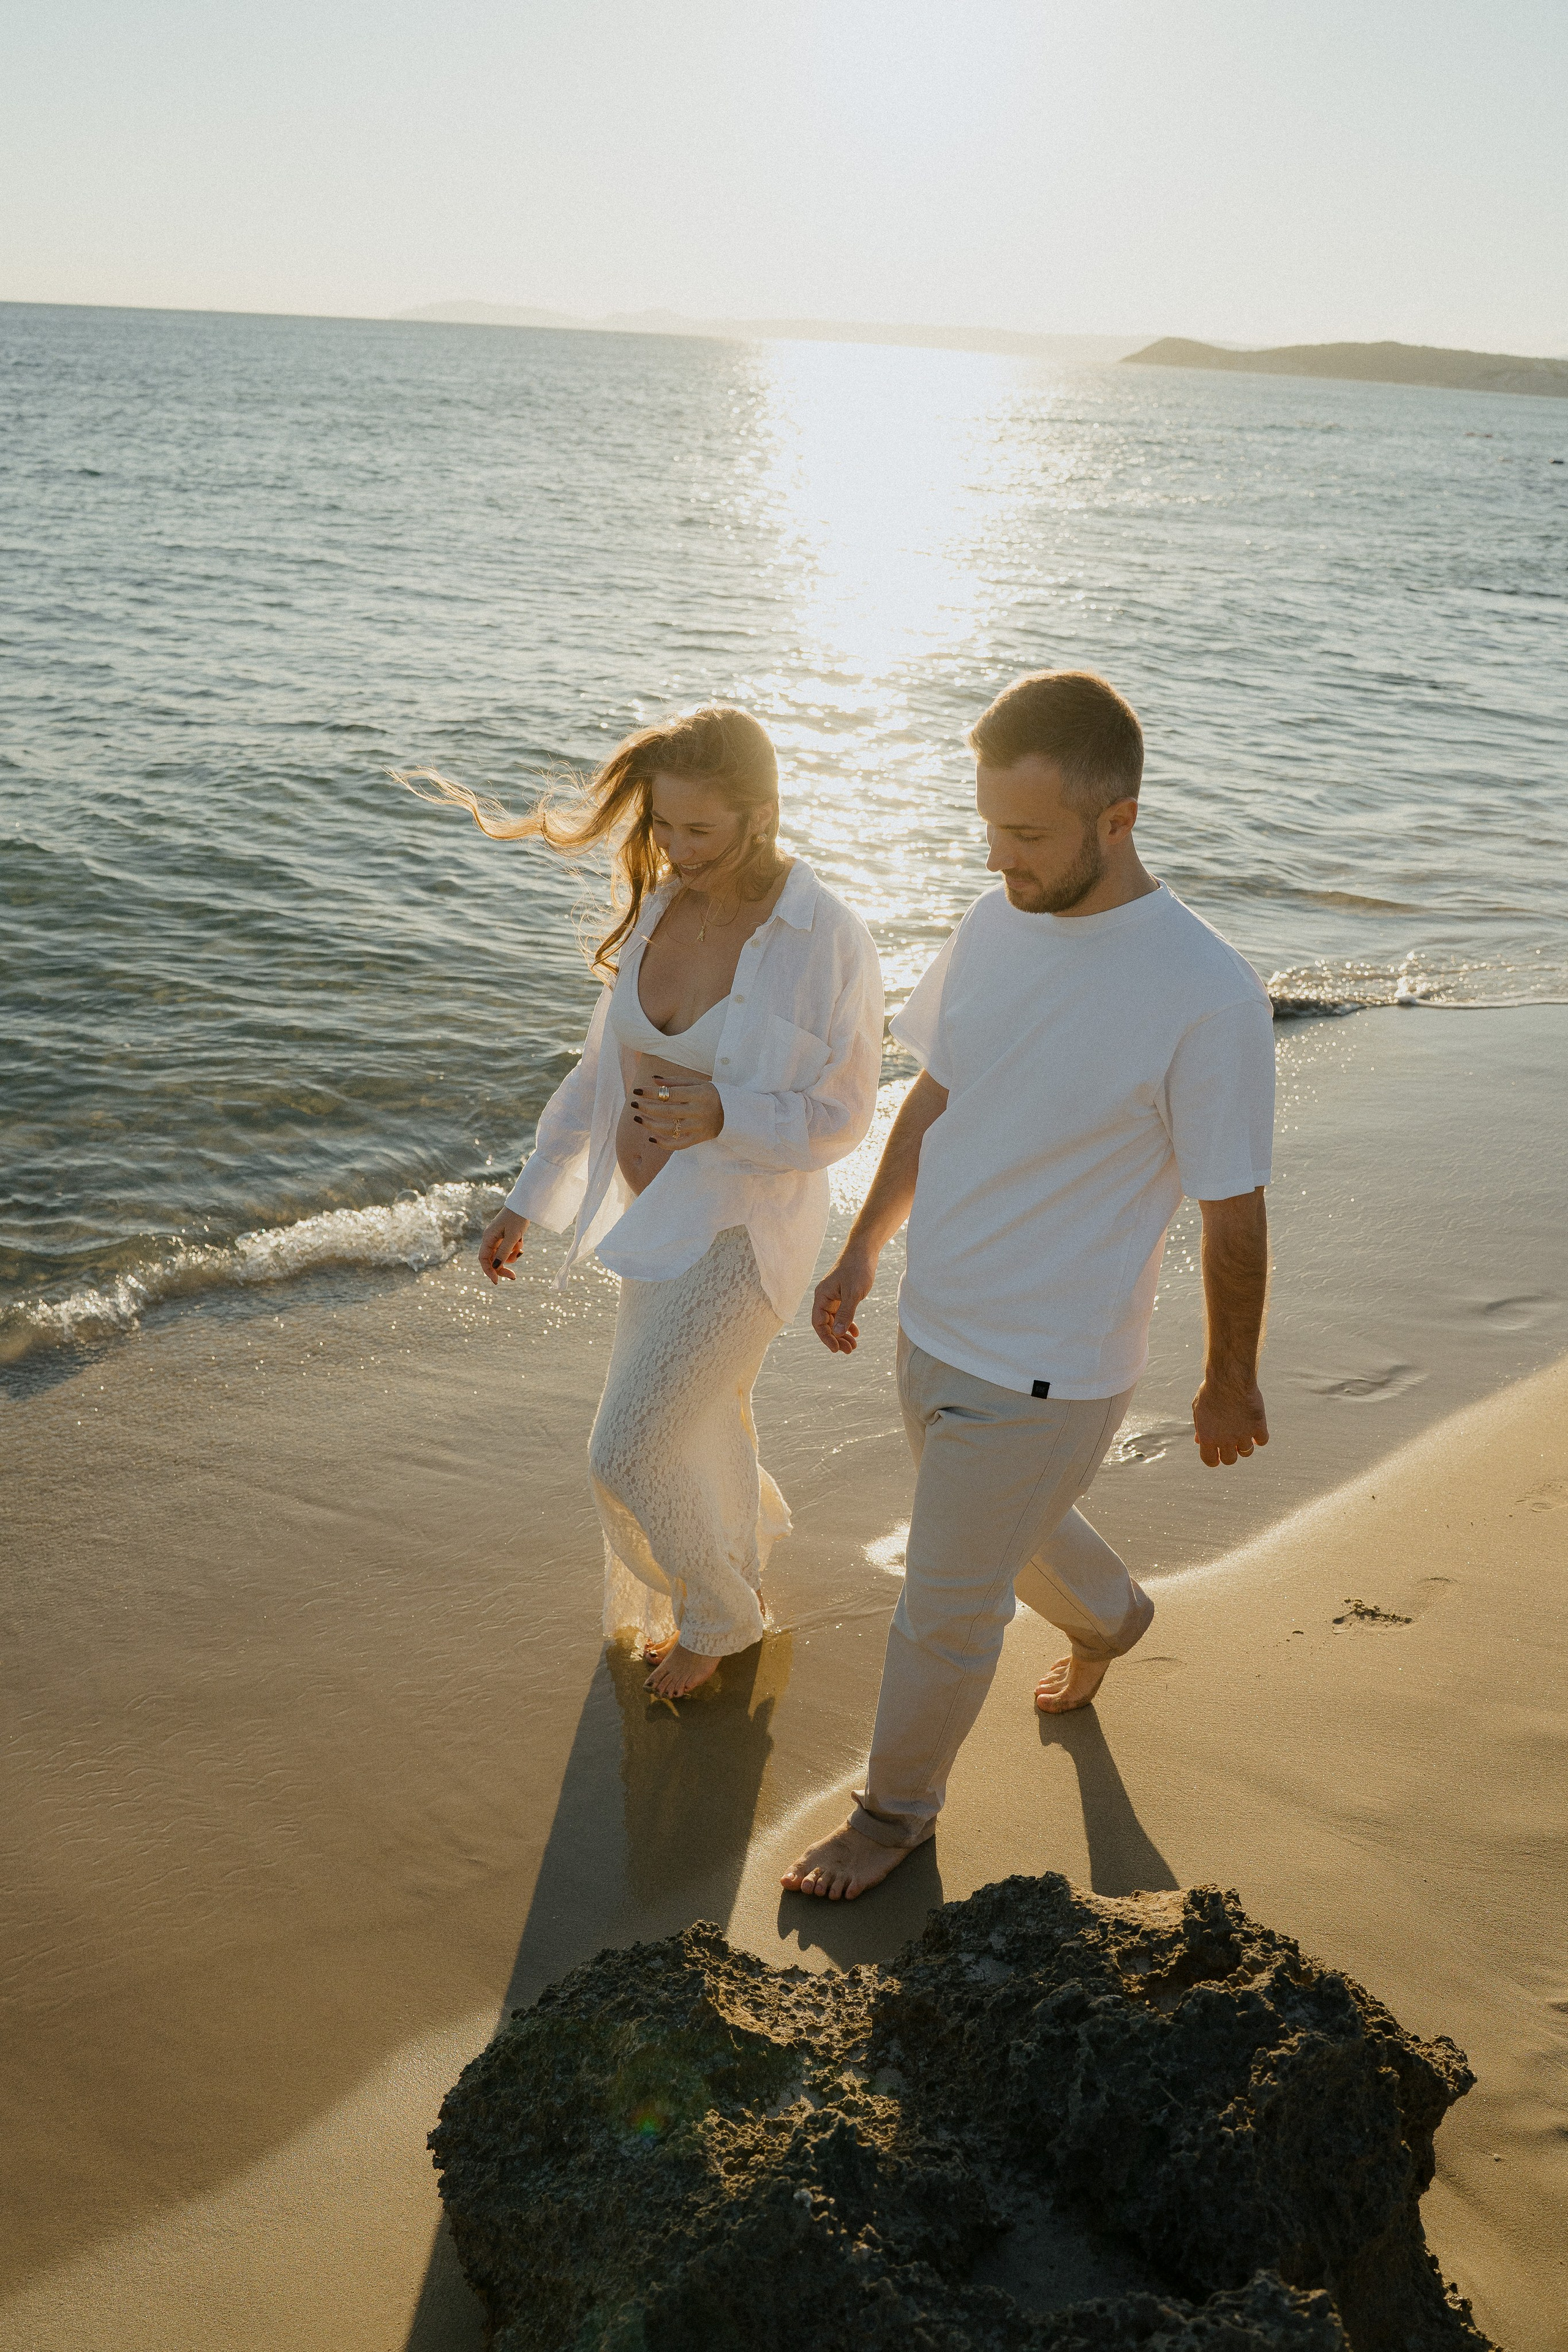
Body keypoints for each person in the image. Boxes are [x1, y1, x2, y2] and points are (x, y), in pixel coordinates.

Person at [781, 669, 1275, 1899]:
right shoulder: (994, 919)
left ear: (1116, 820)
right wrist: (862, 1248)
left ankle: (892, 1818)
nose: (1000, 858)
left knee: (942, 1603)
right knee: (999, 1529)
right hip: (935, 1320)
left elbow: (1232, 1207)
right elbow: (938, 1094)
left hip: (1048, 1363)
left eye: (1028, 835)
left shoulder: (1204, 994)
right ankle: (1110, 1617)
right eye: (988, 828)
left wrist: (1227, 1379)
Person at [404, 706, 883, 1700]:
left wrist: (726, 1115)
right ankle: (738, 1564)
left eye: (699, 831)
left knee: (629, 1446)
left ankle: (719, 1617)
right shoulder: (661, 908)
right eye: (664, 827)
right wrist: (526, 1202)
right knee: (702, 1421)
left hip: (744, 1238)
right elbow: (597, 1076)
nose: (676, 849)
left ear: (763, 815)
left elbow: (843, 1116)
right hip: (646, 1221)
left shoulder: (826, 937)